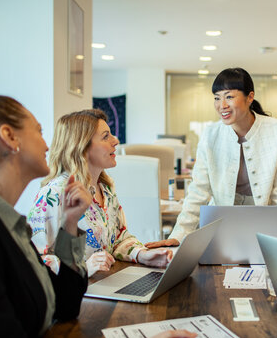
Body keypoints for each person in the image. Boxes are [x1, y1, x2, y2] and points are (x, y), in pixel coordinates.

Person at [0, 88, 90, 338]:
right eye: (39, 131)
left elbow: (64, 304)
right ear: (9, 136)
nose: (47, 145)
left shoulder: (3, 221)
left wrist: (70, 223)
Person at [146, 67, 277, 248]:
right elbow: (198, 191)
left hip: (263, 220)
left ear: (250, 97)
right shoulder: (210, 135)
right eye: (217, 98)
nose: (221, 105)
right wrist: (179, 235)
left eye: (229, 96)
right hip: (221, 221)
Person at [28, 109, 173, 277]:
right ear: (81, 146)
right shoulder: (52, 195)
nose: (116, 141)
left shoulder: (106, 189)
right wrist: (84, 267)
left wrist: (142, 254)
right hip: (73, 296)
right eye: (105, 136)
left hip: (104, 285)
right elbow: (34, 261)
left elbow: (119, 238)